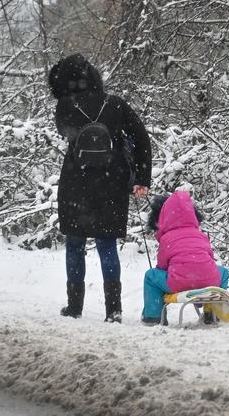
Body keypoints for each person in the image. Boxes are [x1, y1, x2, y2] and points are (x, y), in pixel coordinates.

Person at [48, 53, 152, 323]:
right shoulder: (115, 105)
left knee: (75, 244)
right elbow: (141, 138)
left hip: (76, 183)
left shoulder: (65, 107)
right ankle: (114, 311)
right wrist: (142, 178)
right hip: (111, 184)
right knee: (107, 246)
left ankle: (75, 307)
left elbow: (64, 131)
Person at [141, 191, 229, 325]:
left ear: (163, 217)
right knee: (223, 272)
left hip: (178, 282)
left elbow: (162, 266)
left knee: (150, 276)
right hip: (209, 280)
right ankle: (213, 312)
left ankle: (153, 317)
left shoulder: (167, 238)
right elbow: (210, 259)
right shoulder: (200, 235)